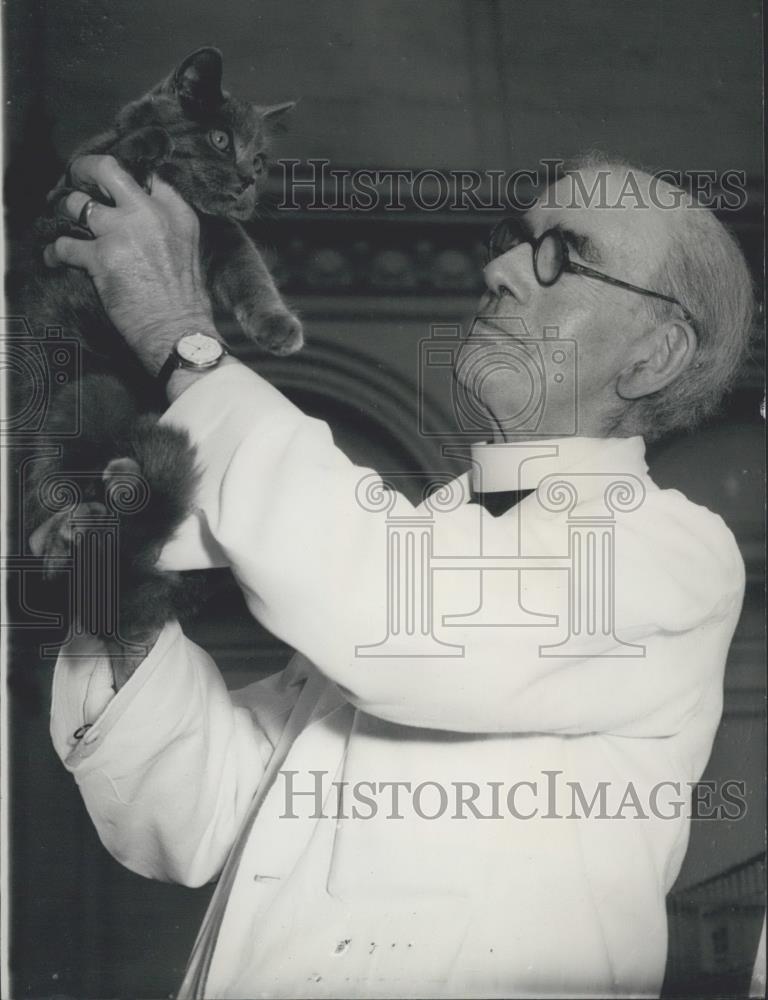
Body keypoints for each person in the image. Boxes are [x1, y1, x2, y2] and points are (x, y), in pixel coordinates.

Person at [41, 153, 753, 998]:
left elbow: (392, 624)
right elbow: (195, 816)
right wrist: (119, 599)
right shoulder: (422, 543)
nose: (497, 269)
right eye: (513, 240)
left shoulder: (670, 553)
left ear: (654, 356)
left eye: (562, 253)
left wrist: (180, 336)